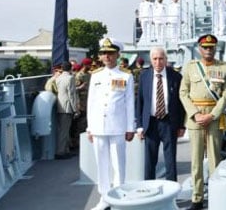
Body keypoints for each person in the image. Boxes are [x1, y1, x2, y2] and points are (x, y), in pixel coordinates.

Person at [179, 34, 226, 210]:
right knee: (196, 159)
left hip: (214, 118)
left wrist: (213, 115)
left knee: (215, 159)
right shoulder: (190, 67)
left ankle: (216, 196)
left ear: (215, 48)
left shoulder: (224, 67)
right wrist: (195, 114)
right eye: (205, 47)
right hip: (196, 118)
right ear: (199, 49)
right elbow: (183, 92)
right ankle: (197, 197)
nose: (208, 50)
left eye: (211, 47)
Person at [86, 38, 135, 210]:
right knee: (102, 163)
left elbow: (130, 103)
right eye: (104, 53)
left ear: (117, 54)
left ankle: (119, 195)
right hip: (99, 126)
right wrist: (90, 127)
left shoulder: (126, 76)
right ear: (100, 56)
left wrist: (130, 128)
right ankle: (104, 197)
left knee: (118, 163)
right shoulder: (96, 76)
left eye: (110, 53)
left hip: (118, 126)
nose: (107, 56)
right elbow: (90, 103)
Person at [136, 47, 186, 181]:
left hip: (169, 122)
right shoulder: (144, 76)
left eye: (161, 59)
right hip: (150, 123)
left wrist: (182, 126)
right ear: (151, 60)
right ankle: (149, 190)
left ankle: (171, 191)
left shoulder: (176, 76)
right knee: (149, 160)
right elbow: (140, 102)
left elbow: (181, 103)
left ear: (166, 59)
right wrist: (139, 125)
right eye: (155, 59)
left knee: (170, 160)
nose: (158, 62)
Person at [55, 61, 79, 159]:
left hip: (60, 104)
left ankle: (66, 150)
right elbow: (72, 95)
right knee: (64, 131)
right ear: (71, 68)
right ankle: (61, 152)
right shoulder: (70, 78)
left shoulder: (58, 78)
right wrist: (75, 109)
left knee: (63, 129)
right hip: (67, 106)